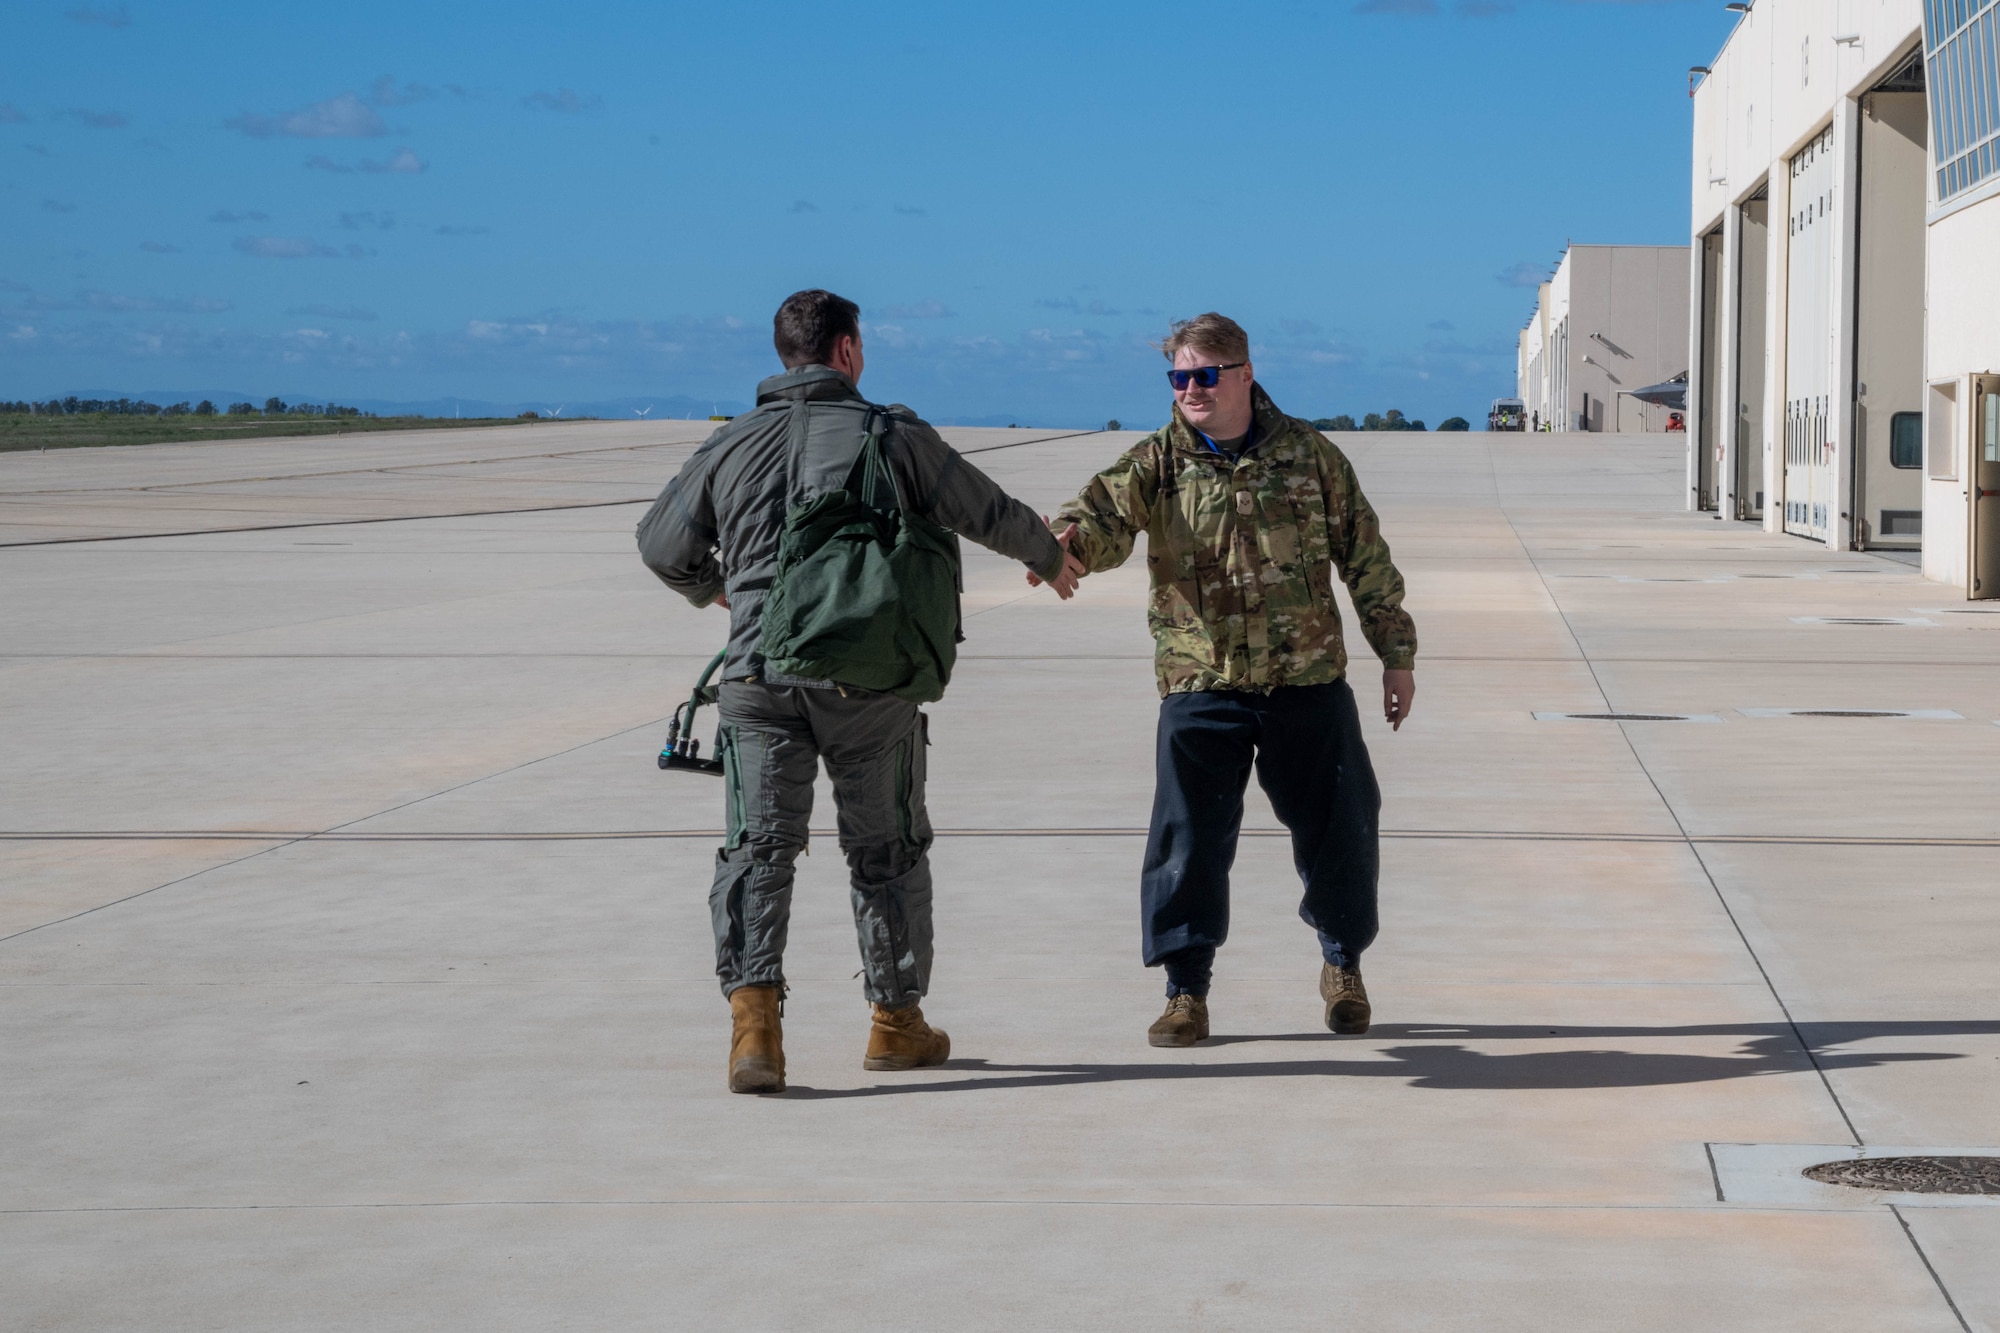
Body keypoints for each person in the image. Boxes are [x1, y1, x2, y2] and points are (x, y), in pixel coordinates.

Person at [637, 289, 1083, 1093]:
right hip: (867, 685)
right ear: (846, 352)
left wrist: (723, 594)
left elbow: (660, 545)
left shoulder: (726, 445)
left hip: (755, 678)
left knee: (758, 851)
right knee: (886, 849)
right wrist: (1049, 559)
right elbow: (980, 506)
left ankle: (756, 1032)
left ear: (785, 354)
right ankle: (894, 1022)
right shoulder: (891, 433)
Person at [1033, 313, 1416, 1047]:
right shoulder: (1157, 462)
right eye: (1178, 377)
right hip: (1201, 682)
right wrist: (1064, 547)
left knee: (1342, 830)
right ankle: (1186, 992)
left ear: (1243, 373)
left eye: (1204, 375)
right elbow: (1101, 517)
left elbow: (1366, 557)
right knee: (1187, 841)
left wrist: (1395, 653)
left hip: (1306, 680)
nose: (1189, 390)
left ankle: (1343, 966)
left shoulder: (1311, 456)